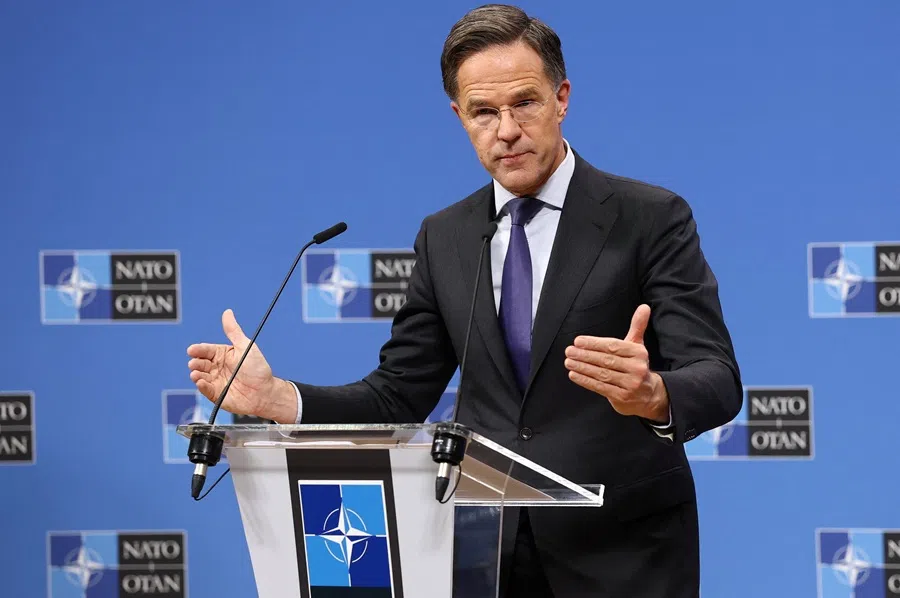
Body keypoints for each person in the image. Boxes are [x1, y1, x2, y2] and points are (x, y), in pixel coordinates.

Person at [187, 4, 742, 597]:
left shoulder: (649, 218)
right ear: (459, 116)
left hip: (625, 554)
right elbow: (398, 394)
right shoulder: (445, 236)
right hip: (485, 553)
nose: (506, 129)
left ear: (562, 98)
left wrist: (655, 394)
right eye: (483, 112)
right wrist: (279, 399)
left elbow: (717, 377)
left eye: (524, 102)